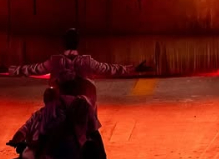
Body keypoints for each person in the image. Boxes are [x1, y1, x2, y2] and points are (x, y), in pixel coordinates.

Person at [9, 28, 145, 112]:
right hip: (83, 108)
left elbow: (33, 69)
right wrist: (133, 68)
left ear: (63, 42)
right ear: (78, 43)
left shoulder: (55, 60)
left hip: (59, 108)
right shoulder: (86, 61)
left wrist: (11, 69)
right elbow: (109, 69)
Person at [7, 87, 67, 159]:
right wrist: (15, 140)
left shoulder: (62, 117)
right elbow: (23, 130)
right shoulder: (37, 115)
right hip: (32, 155)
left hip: (51, 156)